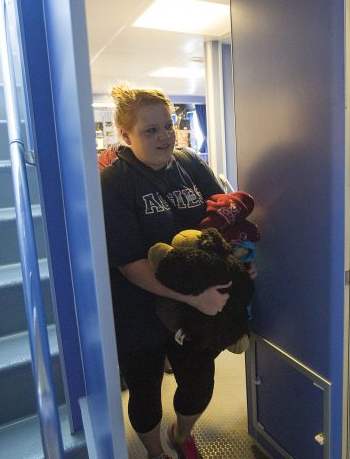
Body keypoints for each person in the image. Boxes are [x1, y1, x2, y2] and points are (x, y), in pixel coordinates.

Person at [100, 85, 231, 459]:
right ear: (125, 135)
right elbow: (130, 265)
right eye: (150, 130)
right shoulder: (114, 183)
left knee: (200, 384)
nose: (164, 136)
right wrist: (195, 297)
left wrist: (240, 262)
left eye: (168, 125)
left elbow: (222, 219)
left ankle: (181, 433)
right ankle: (156, 453)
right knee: (145, 389)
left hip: (193, 306)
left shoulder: (189, 162)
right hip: (138, 305)